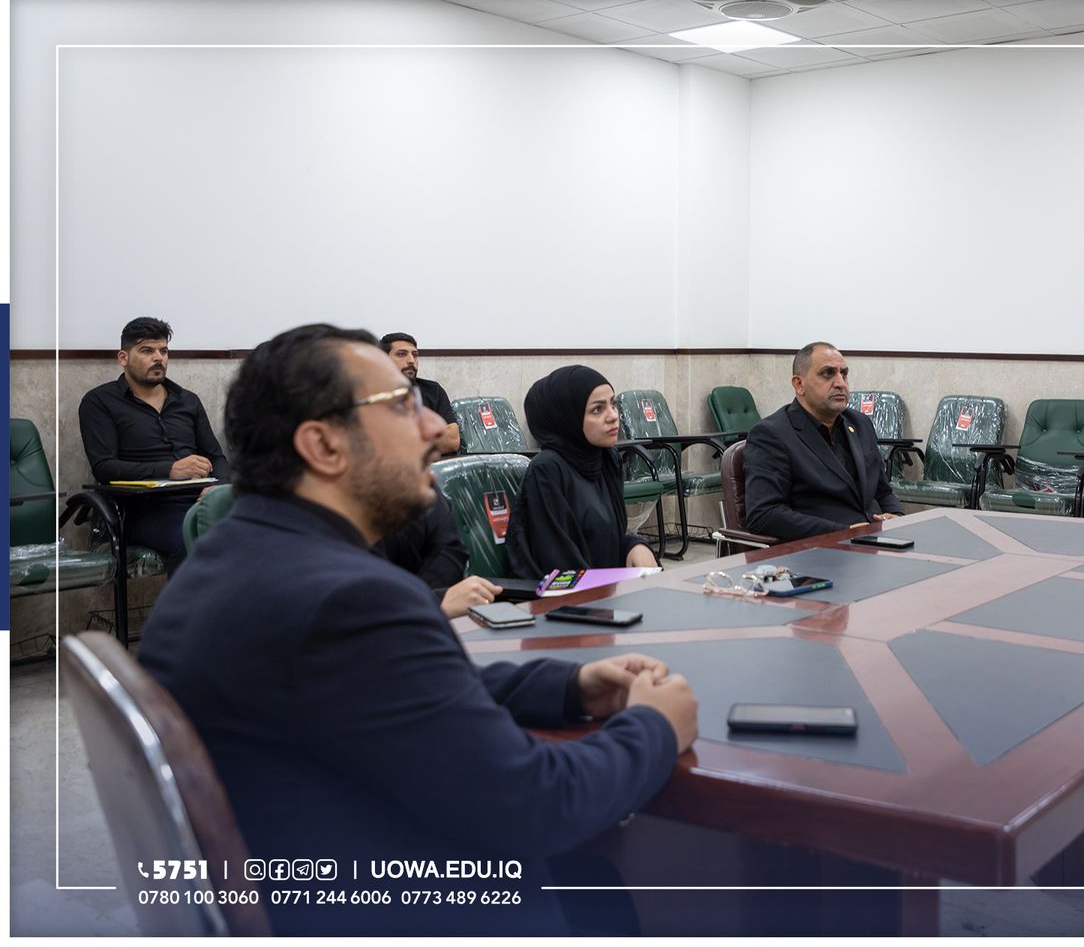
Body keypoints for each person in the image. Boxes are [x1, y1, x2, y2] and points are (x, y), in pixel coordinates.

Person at [137, 325, 697, 935]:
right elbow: (536, 805)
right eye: (402, 407)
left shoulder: (228, 563)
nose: (435, 427)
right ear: (323, 445)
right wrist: (654, 726)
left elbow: (399, 692)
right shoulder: (352, 599)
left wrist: (569, 686)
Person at [77, 316, 229, 572]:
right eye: (147, 351)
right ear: (123, 358)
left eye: (163, 351)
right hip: (144, 509)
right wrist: (170, 470)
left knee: (262, 528)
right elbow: (104, 467)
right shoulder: (100, 402)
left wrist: (219, 486)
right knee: (191, 538)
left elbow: (217, 456)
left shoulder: (187, 400)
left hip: (199, 500)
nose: (159, 358)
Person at [507, 366, 660, 580]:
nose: (613, 416)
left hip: (606, 589)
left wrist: (635, 545)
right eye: (597, 410)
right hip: (565, 594)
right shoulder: (548, 470)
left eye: (613, 404)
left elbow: (607, 539)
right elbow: (557, 561)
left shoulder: (607, 458)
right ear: (567, 417)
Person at [743, 342, 903, 543]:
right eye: (828, 374)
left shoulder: (860, 423)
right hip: (821, 549)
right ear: (799, 384)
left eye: (844, 374)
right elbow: (764, 514)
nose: (840, 383)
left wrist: (896, 516)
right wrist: (843, 532)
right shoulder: (771, 434)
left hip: (876, 543)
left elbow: (882, 490)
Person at [374, 488, 503, 618]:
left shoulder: (429, 494)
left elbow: (451, 552)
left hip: (430, 612)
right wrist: (433, 603)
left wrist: (433, 600)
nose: (431, 478)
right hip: (394, 618)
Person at [380, 331, 461, 453]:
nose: (411, 360)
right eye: (401, 354)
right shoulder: (371, 393)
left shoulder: (433, 390)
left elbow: (452, 440)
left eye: (415, 355)